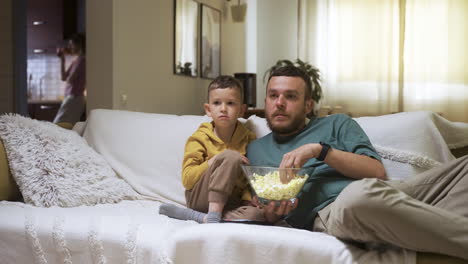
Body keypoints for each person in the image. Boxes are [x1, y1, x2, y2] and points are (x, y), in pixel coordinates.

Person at [247, 65, 468, 260]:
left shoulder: (337, 123)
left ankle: (441, 234)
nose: (280, 103)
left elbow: (376, 172)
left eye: (291, 96)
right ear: (265, 100)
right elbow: (268, 210)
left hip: (388, 193)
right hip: (334, 212)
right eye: (273, 95)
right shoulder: (255, 149)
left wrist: (320, 151)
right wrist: (274, 214)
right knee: (357, 196)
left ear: (308, 105)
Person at [159, 76, 264, 223]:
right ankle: (213, 217)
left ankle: (199, 217)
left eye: (231, 103)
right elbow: (188, 180)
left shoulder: (249, 139)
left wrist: (247, 200)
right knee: (230, 156)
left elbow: (249, 179)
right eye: (216, 103)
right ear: (208, 109)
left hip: (231, 202)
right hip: (201, 198)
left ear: (242, 110)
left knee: (258, 215)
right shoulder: (199, 138)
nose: (223, 109)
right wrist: (215, 160)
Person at [53, 33, 86, 124]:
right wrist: (62, 59)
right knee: (60, 124)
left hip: (76, 98)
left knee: (59, 124)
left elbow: (70, 80)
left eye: (71, 44)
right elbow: (64, 78)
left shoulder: (83, 60)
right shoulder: (76, 61)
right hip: (70, 97)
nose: (69, 47)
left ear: (78, 45)